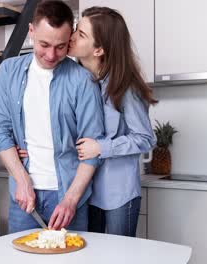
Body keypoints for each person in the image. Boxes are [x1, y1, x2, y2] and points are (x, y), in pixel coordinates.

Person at [0, 0, 105, 233]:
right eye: (44, 44)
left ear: (70, 38)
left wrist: (70, 200)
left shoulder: (82, 81)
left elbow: (92, 150)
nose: (51, 55)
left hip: (69, 198)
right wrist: (21, 180)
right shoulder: (8, 71)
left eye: (61, 47)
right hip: (23, 197)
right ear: (31, 31)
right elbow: (0, 131)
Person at [69, 7, 158, 236]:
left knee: (121, 257)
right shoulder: (80, 83)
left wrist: (101, 147)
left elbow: (145, 138)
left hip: (118, 194)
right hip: (86, 192)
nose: (72, 36)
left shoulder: (124, 87)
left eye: (81, 34)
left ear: (98, 49)